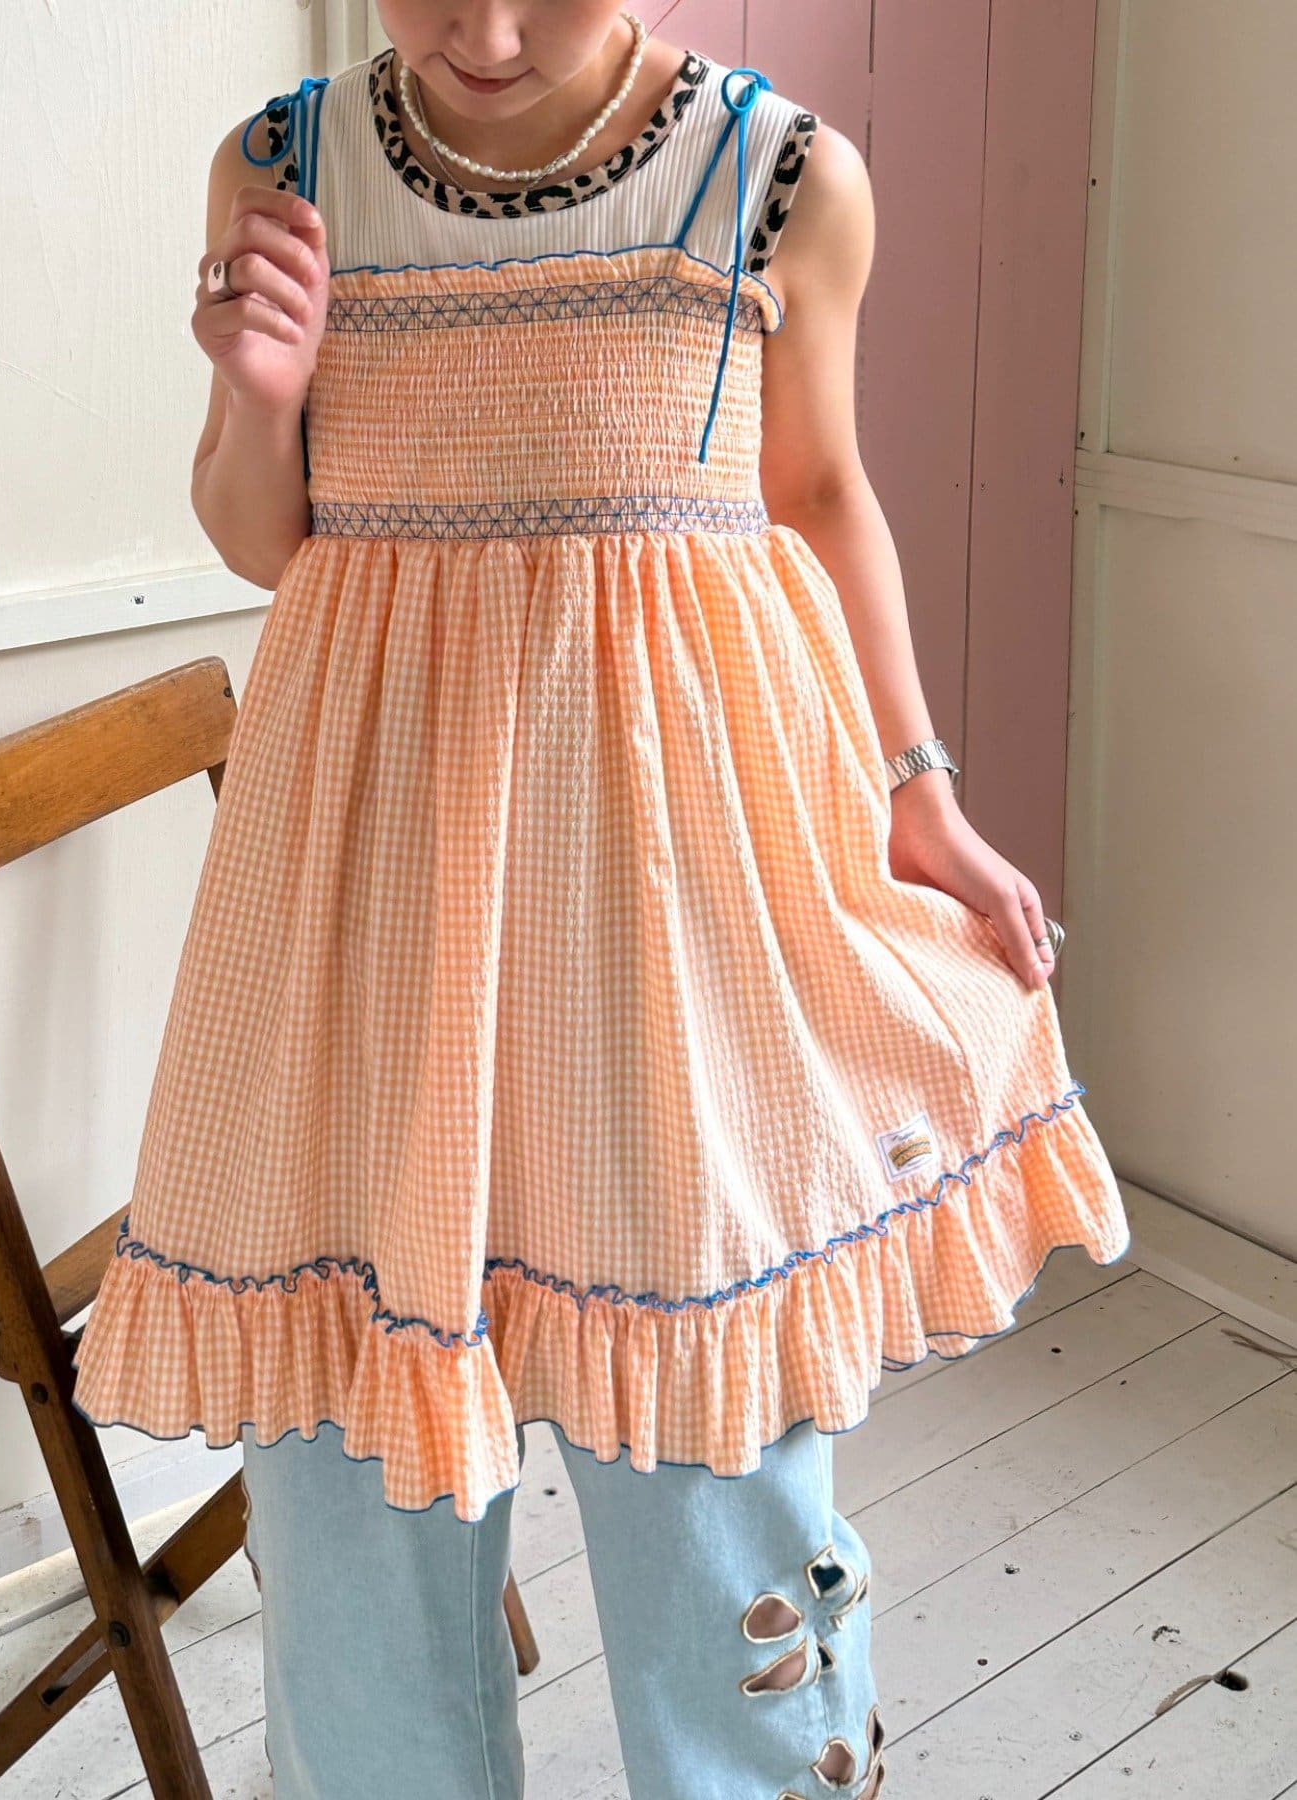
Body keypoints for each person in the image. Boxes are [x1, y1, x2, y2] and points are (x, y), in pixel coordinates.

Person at [70, 4, 1130, 1794]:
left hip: (666, 910)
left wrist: (922, 798)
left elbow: (818, 492)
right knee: (349, 1480)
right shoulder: (282, 165)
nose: (483, 32)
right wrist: (258, 394)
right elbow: (269, 540)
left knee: (717, 1491)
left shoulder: (778, 178)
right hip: (369, 896)